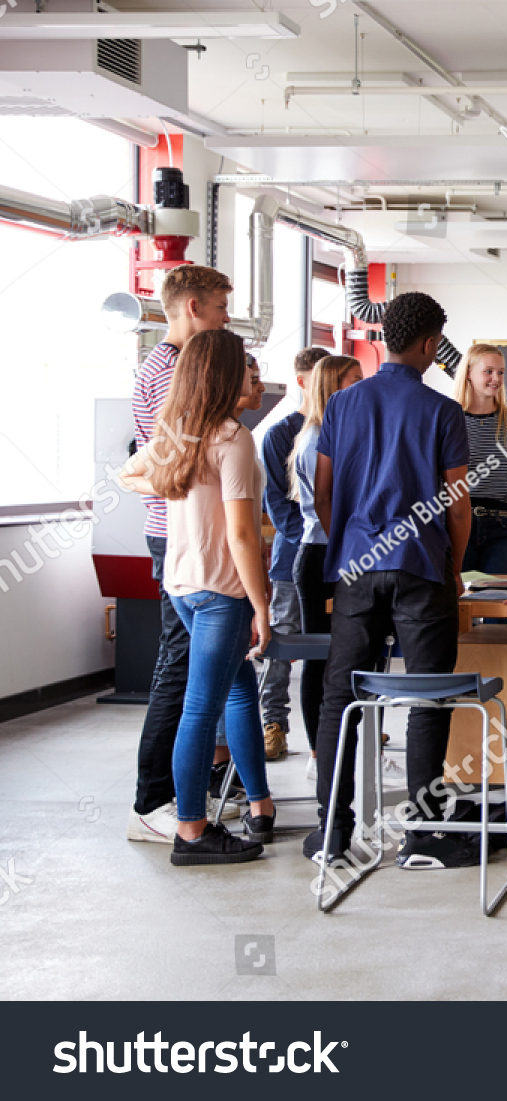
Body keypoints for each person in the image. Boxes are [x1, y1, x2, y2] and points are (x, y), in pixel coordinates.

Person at [309, 293, 475, 869]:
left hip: (356, 565)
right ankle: (423, 838)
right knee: (428, 699)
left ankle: (332, 834)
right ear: (430, 345)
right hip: (421, 566)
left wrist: (349, 548)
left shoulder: (342, 404)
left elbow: (323, 494)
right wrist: (453, 571)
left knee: (339, 700)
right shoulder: (442, 411)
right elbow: (457, 506)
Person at [119, 329, 276, 865]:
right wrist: (260, 604)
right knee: (201, 708)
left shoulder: (178, 434)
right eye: (245, 368)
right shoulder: (232, 438)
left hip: (184, 586)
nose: (254, 377)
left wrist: (170, 484)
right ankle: (191, 832)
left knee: (233, 695)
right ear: (225, 375)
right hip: (221, 590)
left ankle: (259, 804)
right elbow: (241, 534)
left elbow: (125, 475)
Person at [127, 263, 239, 844]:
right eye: (221, 306)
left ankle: (204, 781)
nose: (225, 316)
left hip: (186, 531)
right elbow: (163, 467)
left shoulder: (169, 367)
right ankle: (153, 800)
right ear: (193, 307)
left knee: (209, 673)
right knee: (179, 670)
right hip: (179, 534)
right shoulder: (173, 371)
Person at [288, 354, 362, 777]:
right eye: (353, 381)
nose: (360, 388)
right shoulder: (319, 435)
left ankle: (339, 749)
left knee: (345, 656)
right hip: (322, 554)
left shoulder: (338, 431)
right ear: (333, 386)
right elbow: (326, 502)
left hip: (337, 551)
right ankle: (320, 753)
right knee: (321, 657)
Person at [258, 346, 329, 761]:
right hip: (294, 557)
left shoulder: (340, 427)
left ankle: (337, 720)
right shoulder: (280, 434)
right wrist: (312, 538)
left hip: (332, 558)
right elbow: (278, 506)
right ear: (303, 382)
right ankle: (274, 723)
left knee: (335, 643)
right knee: (283, 640)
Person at [451, 343, 507, 576]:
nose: (496, 378)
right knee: (459, 606)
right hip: (457, 524)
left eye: (500, 372)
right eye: (488, 371)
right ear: (469, 374)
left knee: (499, 606)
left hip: (503, 526)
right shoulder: (450, 420)